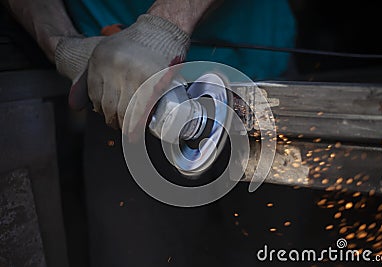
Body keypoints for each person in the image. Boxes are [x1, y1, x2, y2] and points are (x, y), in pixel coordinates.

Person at [2, 1, 299, 266]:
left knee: (273, 249)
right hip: (121, 95)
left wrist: (163, 28)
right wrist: (63, 45)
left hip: (261, 77)